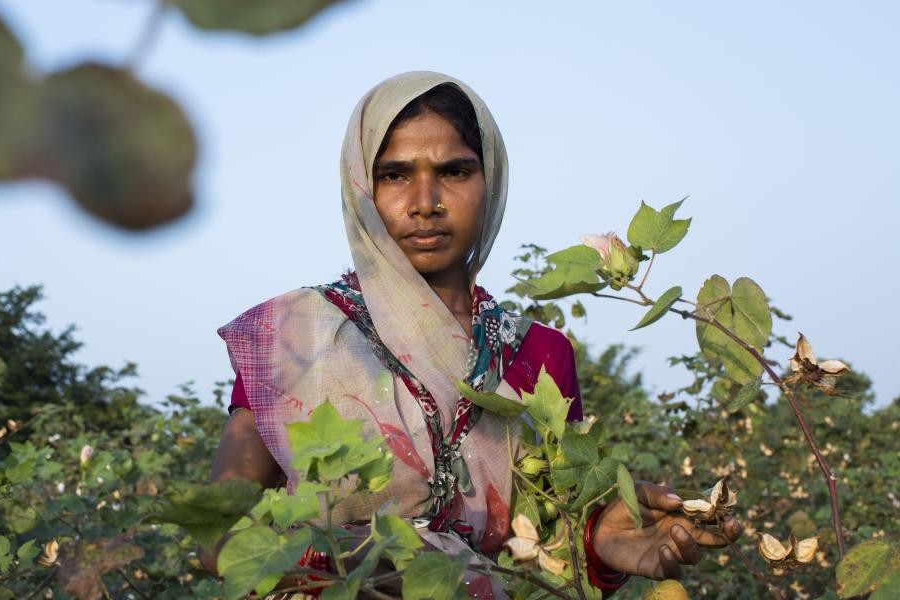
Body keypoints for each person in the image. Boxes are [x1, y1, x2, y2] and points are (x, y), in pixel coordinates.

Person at [205, 72, 740, 597]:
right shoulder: (294, 336)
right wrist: (365, 559)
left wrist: (598, 544)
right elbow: (218, 540)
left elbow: (543, 557)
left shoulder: (539, 353)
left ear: (492, 183)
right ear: (361, 188)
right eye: (394, 175)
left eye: (455, 171)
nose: (425, 202)